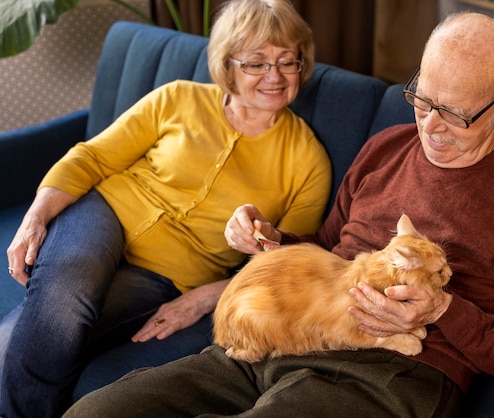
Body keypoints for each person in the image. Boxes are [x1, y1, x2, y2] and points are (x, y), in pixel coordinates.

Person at [64, 11, 494, 418]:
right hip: (294, 332)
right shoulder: (385, 147)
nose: (432, 128)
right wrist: (271, 241)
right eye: (422, 101)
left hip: (396, 372)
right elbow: (327, 245)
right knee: (99, 410)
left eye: (457, 114)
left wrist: (441, 310)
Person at [1, 0, 331, 416]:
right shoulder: (179, 98)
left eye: (288, 62)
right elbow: (92, 158)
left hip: (168, 273)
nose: (275, 76)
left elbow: (286, 264)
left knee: (26, 337)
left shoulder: (307, 159)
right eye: (256, 63)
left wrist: (205, 297)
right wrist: (36, 217)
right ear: (227, 64)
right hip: (101, 214)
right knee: (64, 296)